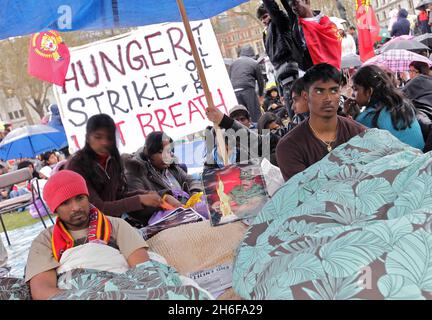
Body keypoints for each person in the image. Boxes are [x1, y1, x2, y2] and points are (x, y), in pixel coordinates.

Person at [25, 170, 151, 300]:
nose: (76, 207)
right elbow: (42, 291)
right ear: (55, 209)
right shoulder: (44, 240)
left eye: (80, 198)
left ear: (87, 197)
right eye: (65, 203)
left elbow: (143, 270)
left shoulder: (117, 225)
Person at [66, 114, 181, 224]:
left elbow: (118, 195)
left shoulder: (113, 160)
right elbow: (97, 208)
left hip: (113, 223)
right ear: (87, 138)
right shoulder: (76, 166)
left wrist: (155, 195)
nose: (104, 142)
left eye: (109, 137)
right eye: (98, 137)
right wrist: (140, 199)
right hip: (88, 230)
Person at [275, 63, 367, 181]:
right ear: (305, 96)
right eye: (319, 92)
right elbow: (304, 194)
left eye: (334, 91)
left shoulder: (360, 134)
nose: (328, 99)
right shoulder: (289, 147)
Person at [123, 131, 203, 224]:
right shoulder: (134, 171)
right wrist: (164, 198)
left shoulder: (171, 166)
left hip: (186, 214)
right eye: (161, 152)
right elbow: (136, 205)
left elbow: (190, 180)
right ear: (148, 152)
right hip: (162, 223)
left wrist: (195, 193)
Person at [257, 0, 313, 118]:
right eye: (261, 19)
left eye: (266, 16)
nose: (264, 21)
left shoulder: (280, 22)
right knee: (294, 112)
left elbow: (274, 10)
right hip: (282, 76)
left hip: (291, 69)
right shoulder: (266, 33)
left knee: (301, 111)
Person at [352, 65, 425, 150]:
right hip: (421, 159)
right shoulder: (403, 104)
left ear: (369, 91)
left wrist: (352, 118)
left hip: (400, 162)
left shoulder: (367, 117)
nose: (353, 94)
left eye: (356, 89)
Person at [229, 45, 265, 123]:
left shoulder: (233, 64)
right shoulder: (254, 63)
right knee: (255, 114)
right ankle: (263, 134)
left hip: (234, 90)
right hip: (247, 89)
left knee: (241, 116)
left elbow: (230, 78)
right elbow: (261, 81)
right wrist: (261, 95)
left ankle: (245, 134)